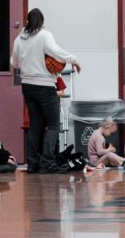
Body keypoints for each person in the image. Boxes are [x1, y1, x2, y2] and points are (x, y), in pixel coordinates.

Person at [9, 10, 81, 172]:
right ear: (41, 22)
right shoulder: (44, 35)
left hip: (27, 86)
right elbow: (56, 52)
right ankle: (47, 163)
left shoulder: (19, 39)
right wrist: (74, 60)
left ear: (27, 20)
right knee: (54, 125)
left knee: (35, 125)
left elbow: (15, 63)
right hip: (45, 85)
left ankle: (33, 164)